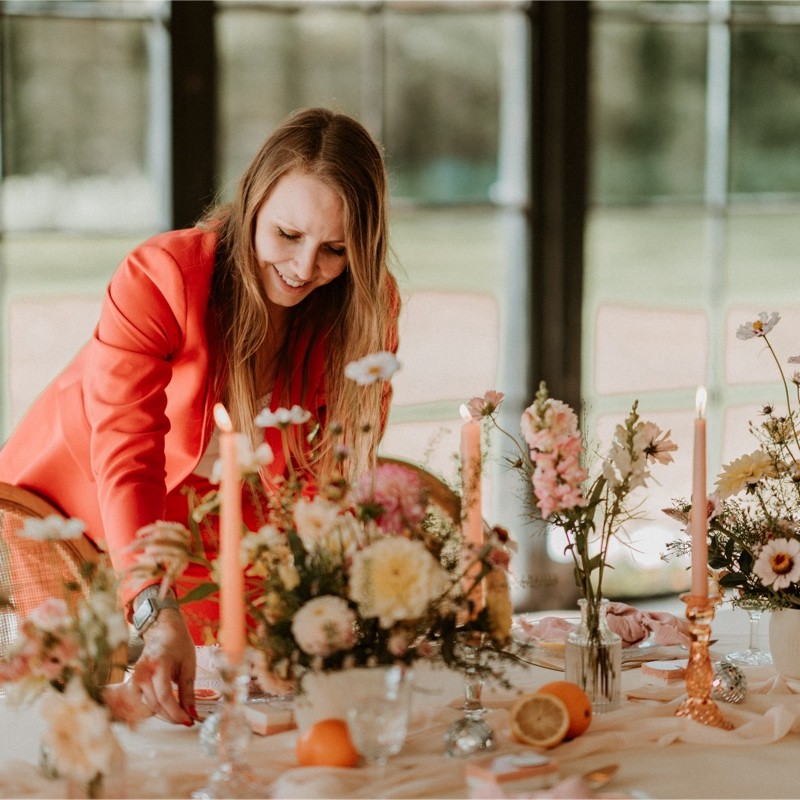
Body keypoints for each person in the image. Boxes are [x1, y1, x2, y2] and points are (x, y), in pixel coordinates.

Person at [0, 107, 400, 726]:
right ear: (253, 201)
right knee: (73, 712)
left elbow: (330, 473)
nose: (303, 268)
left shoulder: (369, 307)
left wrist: (308, 595)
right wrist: (154, 609)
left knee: (245, 695)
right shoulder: (160, 275)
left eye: (335, 250)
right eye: (287, 235)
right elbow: (128, 454)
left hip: (224, 512)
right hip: (77, 506)